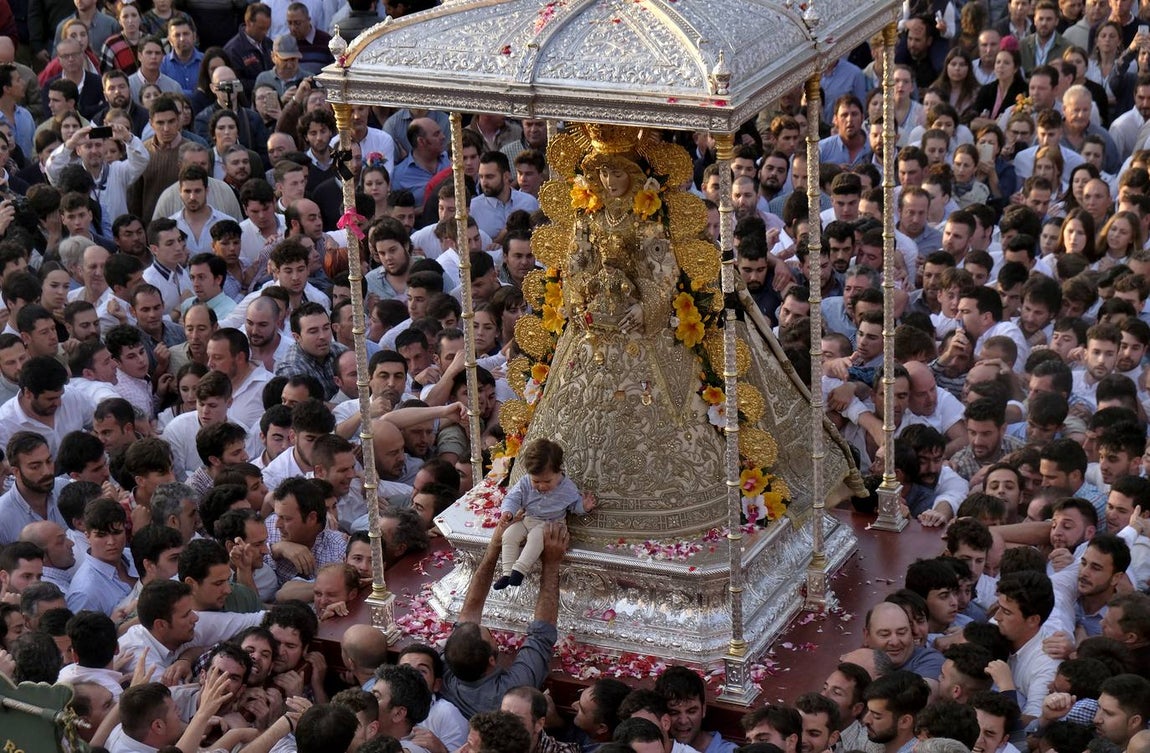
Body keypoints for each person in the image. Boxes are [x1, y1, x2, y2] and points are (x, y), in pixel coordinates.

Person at [495, 438, 596, 590]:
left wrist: (584, 506)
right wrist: (508, 512)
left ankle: (519, 570)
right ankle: (507, 573)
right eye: (536, 481)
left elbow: (574, 505)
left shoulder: (567, 487)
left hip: (551, 525)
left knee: (536, 536)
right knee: (509, 534)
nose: (541, 486)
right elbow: (513, 498)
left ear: (559, 471)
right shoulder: (525, 483)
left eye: (547, 481)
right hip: (528, 519)